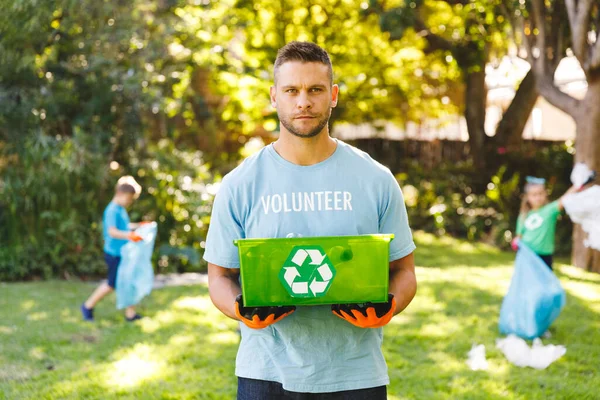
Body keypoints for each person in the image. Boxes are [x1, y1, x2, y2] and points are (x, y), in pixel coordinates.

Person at [204, 41, 417, 399]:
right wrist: (241, 310)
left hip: (356, 374)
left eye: (315, 90)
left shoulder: (376, 179)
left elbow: (405, 272)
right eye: (292, 90)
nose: (303, 101)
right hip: (266, 372)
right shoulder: (240, 184)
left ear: (333, 95)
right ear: (275, 96)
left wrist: (388, 307)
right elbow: (219, 277)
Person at [81, 176, 146, 322]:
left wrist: (139, 225)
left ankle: (130, 314)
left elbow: (124, 227)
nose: (130, 202)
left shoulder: (120, 209)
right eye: (129, 198)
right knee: (112, 284)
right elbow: (112, 232)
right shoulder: (112, 210)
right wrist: (131, 236)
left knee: (128, 281)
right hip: (114, 253)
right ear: (120, 194)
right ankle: (87, 306)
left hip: (122, 253)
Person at [512, 176, 581, 270]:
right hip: (527, 254)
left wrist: (577, 186)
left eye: (541, 194)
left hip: (544, 255)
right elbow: (519, 235)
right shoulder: (524, 215)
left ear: (545, 194)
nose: (538, 197)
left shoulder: (549, 211)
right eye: (534, 195)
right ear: (527, 197)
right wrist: (516, 241)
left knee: (544, 282)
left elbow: (564, 199)